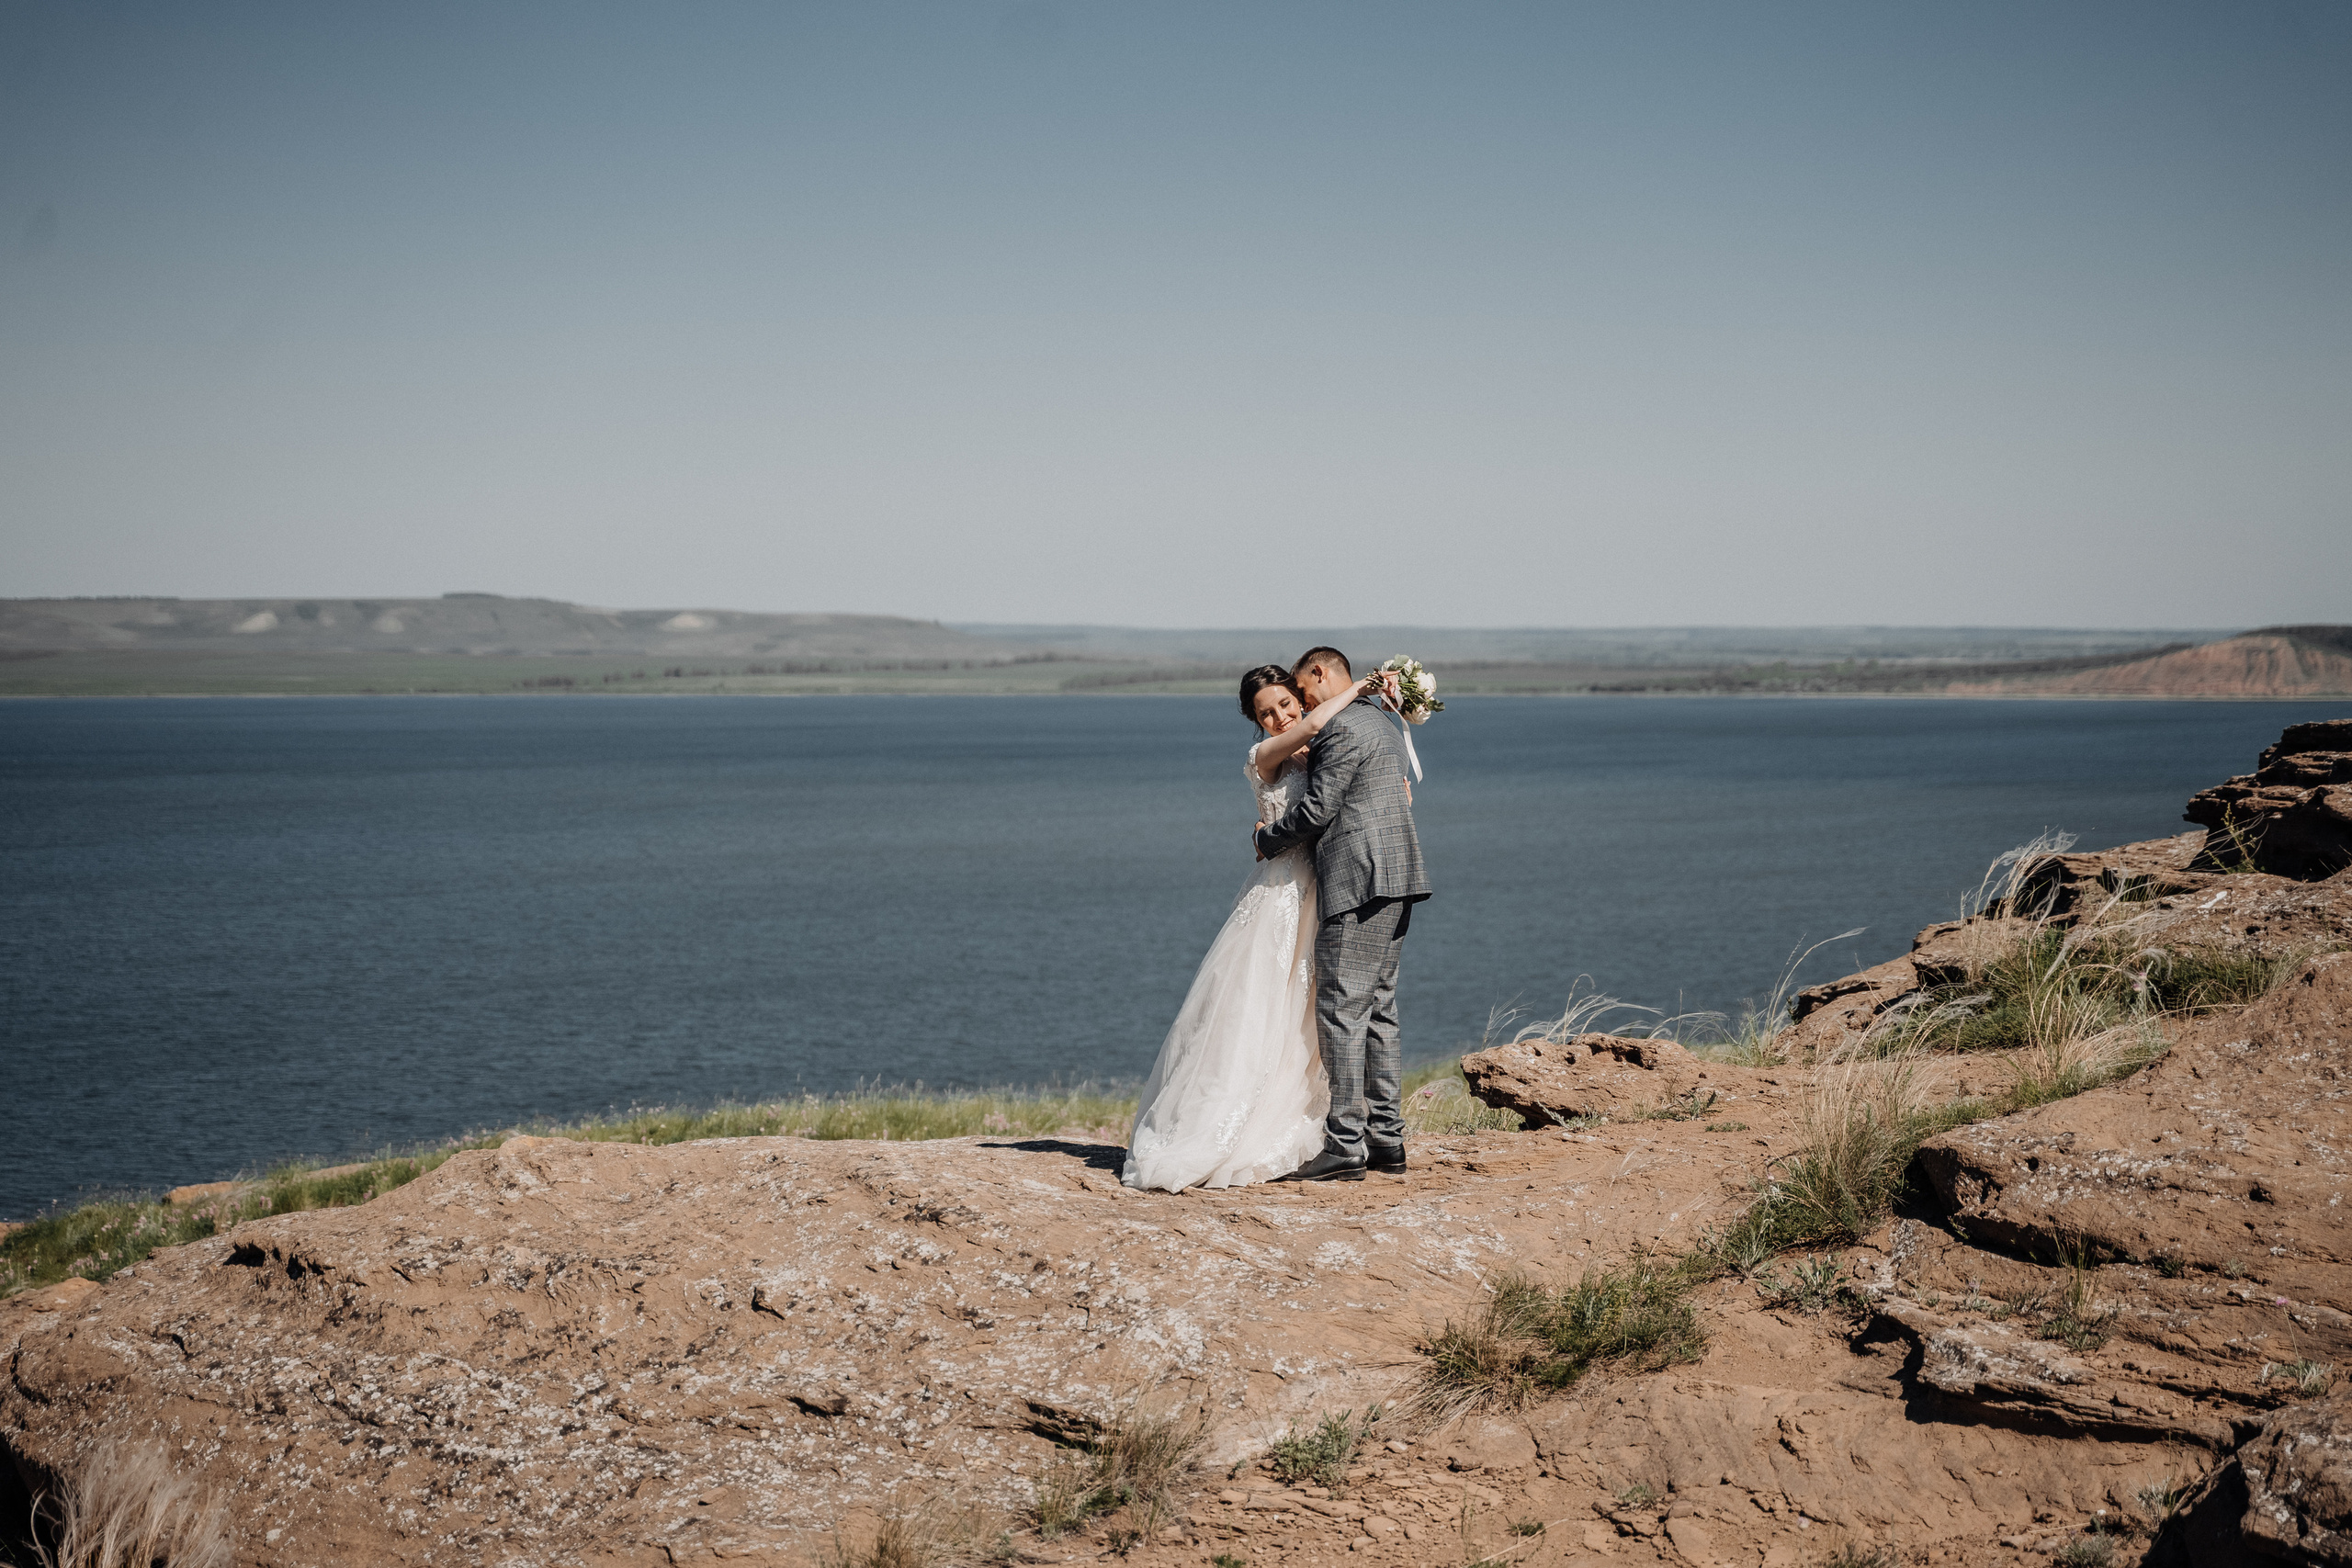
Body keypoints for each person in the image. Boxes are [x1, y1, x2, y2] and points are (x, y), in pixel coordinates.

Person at [1119, 662, 1396, 1190]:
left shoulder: (1316, 754)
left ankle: (1333, 1127)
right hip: (1279, 897)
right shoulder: (1265, 756)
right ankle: (1234, 1126)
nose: (1279, 717)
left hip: (1324, 888)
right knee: (1261, 1003)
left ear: (1298, 696)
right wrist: (1359, 690)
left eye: (1286, 705)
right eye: (1265, 712)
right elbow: (1313, 728)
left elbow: (1338, 797)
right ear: (1254, 720)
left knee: (1317, 1010)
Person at [1253, 647, 1430, 1182]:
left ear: (1321, 673)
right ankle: (1387, 1139)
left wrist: (1267, 839)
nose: (1304, 709)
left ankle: (1346, 1143)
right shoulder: (1380, 719)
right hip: (1398, 875)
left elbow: (1317, 809)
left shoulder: (1343, 728)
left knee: (1340, 1009)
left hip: (1359, 878)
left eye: (1303, 695)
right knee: (1378, 1008)